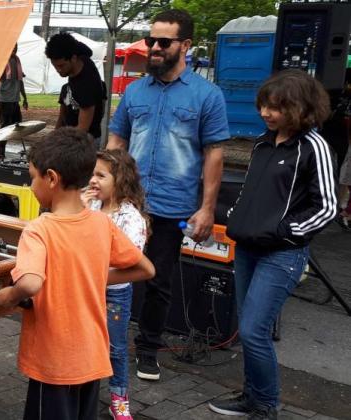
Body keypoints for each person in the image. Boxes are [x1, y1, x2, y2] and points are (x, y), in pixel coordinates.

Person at [0, 127, 155, 420]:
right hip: (91, 357)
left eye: (32, 178)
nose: (31, 186)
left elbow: (30, 283)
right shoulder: (101, 224)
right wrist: (89, 276)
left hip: (54, 362)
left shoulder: (39, 229)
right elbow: (145, 268)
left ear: (51, 178)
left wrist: (8, 295)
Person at [107, 9, 229, 382]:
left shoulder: (207, 95)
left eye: (164, 42)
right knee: (107, 272)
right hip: (128, 203)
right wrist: (102, 190)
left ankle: (147, 349)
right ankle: (103, 340)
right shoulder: (134, 91)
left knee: (158, 280)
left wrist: (207, 208)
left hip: (171, 204)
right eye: (151, 40)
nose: (154, 48)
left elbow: (215, 154)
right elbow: (116, 142)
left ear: (186, 45)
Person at [209, 70, 337, 420]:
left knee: (253, 330)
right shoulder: (264, 143)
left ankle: (266, 404)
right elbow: (250, 190)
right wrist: (236, 218)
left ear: (299, 107)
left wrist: (284, 231)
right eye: (263, 105)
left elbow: (326, 206)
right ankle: (253, 396)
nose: (265, 112)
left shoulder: (314, 147)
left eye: (276, 107)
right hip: (248, 246)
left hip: (282, 253)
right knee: (249, 328)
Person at [80, 149, 148, 420]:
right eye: (92, 174)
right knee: (85, 341)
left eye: (101, 175)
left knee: (115, 348)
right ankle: (82, 389)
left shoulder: (131, 218)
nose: (93, 180)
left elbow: (130, 262)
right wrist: (81, 211)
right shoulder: (90, 206)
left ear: (120, 179)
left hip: (113, 294)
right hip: (85, 288)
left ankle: (119, 397)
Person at [45, 32, 106, 144]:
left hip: (85, 141)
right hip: (73, 133)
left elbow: (82, 129)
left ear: (73, 58)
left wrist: (58, 144)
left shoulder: (86, 85)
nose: (58, 70)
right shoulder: (80, 53)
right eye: (55, 66)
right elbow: (88, 50)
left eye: (61, 66)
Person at [0, 43, 28, 161]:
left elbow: (20, 82)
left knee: (18, 124)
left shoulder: (17, 61)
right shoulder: (3, 63)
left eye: (16, 48)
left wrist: (25, 98)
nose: (14, 51)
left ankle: (7, 150)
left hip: (15, 100)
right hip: (4, 100)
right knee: (4, 128)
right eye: (12, 48)